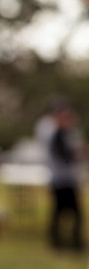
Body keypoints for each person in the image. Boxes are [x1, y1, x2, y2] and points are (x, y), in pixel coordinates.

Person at [36, 100, 84, 250]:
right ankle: (63, 242)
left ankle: (67, 241)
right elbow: (65, 155)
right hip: (61, 179)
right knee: (64, 212)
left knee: (65, 212)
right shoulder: (56, 134)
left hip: (67, 178)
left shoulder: (66, 132)